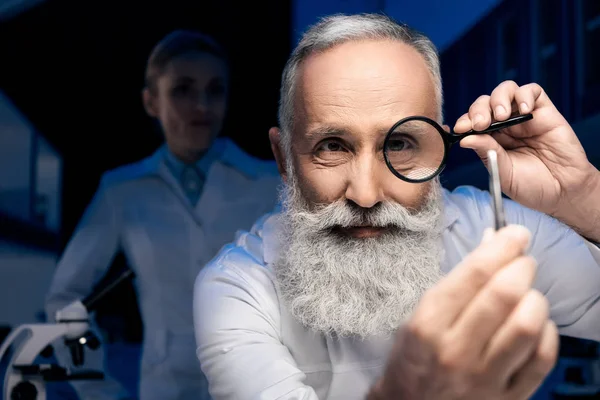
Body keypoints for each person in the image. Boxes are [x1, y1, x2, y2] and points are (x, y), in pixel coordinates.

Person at [193, 13, 600, 400]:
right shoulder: (237, 287)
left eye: (400, 144)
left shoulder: (487, 228)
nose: (366, 196)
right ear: (284, 160)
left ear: (438, 151)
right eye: (332, 146)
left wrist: (584, 197)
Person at [45, 30, 280, 399]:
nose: (202, 105)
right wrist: (97, 389)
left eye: (215, 89)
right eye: (183, 89)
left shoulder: (268, 182)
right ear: (151, 101)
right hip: (164, 389)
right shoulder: (122, 191)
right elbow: (65, 299)